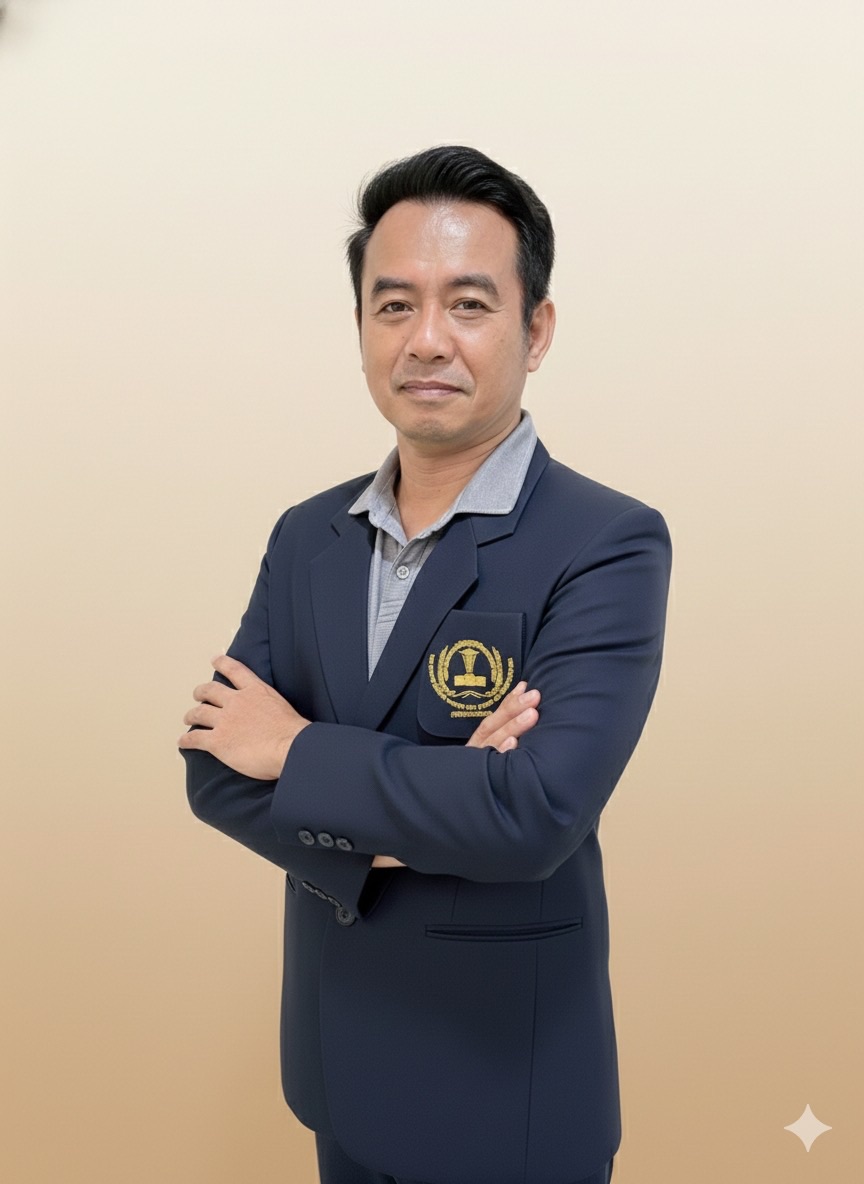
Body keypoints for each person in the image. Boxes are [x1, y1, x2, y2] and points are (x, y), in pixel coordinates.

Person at [179, 145, 671, 1184]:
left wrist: (297, 751)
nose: (427, 339)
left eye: (469, 304)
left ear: (536, 329)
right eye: (394, 305)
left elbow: (532, 815)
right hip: (336, 1066)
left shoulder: (606, 541)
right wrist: (437, 806)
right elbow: (216, 771)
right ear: (361, 326)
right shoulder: (307, 534)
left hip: (505, 1088)